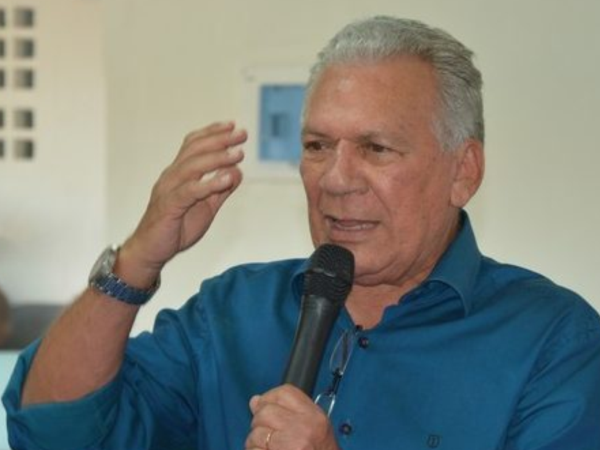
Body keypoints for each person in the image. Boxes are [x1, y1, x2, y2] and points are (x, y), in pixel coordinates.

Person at [3, 15, 600, 450]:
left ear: (462, 172)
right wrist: (136, 261)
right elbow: (52, 430)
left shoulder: (553, 342)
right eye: (317, 146)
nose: (335, 179)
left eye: (376, 148)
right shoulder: (230, 312)